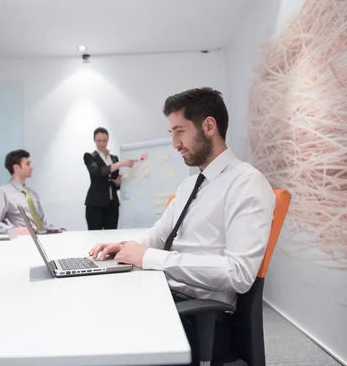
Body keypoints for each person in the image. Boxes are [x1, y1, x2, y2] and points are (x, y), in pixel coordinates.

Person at [89, 88, 276, 362]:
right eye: (172, 134)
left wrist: (151, 258)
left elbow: (239, 273)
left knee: (107, 335)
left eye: (180, 131)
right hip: (168, 295)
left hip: (202, 317)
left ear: (209, 126)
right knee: (96, 306)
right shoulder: (189, 184)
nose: (175, 143)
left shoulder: (246, 183)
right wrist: (130, 247)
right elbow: (159, 234)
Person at [0, 149, 62, 236]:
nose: (31, 167)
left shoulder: (33, 194)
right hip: (22, 243)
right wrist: (15, 230)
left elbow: (43, 223)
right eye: (27, 164)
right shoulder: (2, 192)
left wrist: (57, 230)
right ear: (16, 168)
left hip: (43, 240)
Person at [83, 127, 136, 230]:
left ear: (108, 140)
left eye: (104, 140)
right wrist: (121, 163)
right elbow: (98, 172)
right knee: (94, 236)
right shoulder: (89, 157)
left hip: (112, 204)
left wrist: (118, 183)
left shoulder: (114, 158)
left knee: (112, 236)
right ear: (94, 140)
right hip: (95, 203)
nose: (102, 143)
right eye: (99, 140)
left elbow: (114, 179)